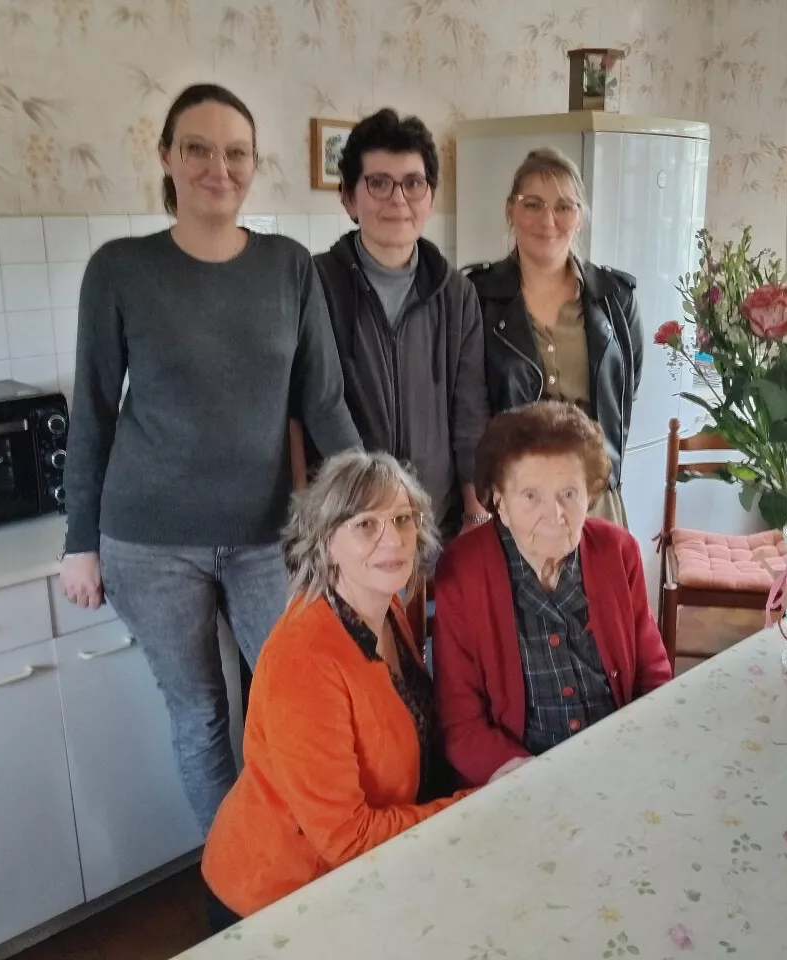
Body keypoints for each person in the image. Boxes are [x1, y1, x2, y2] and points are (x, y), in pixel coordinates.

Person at [58, 83, 360, 834]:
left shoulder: (290, 267)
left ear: (255, 165)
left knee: (289, 701)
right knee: (199, 715)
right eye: (197, 148)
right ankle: (236, 878)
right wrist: (79, 544)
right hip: (148, 541)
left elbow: (322, 403)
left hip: (265, 538)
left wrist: (374, 503)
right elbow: (91, 412)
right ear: (167, 156)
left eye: (235, 152)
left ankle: (298, 852)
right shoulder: (120, 269)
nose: (216, 167)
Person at [202, 450, 470, 928]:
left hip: (354, 875)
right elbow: (347, 839)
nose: (392, 538)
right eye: (366, 525)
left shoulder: (386, 608)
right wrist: (467, 806)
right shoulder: (303, 659)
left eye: (402, 519)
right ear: (326, 544)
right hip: (278, 895)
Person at [432, 402, 672, 787]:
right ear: (499, 502)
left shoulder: (616, 551)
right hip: (517, 780)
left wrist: (636, 754)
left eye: (568, 494)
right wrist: (536, 783)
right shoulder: (463, 571)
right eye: (530, 496)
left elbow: (652, 675)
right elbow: (460, 724)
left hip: (619, 762)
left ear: (589, 496)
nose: (554, 515)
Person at [312, 108, 490, 537]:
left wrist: (474, 513)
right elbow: (310, 409)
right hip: (347, 521)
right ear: (349, 199)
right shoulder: (315, 284)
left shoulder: (457, 292)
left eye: (413, 183)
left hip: (434, 521)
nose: (398, 199)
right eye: (378, 183)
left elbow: (469, 412)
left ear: (430, 196)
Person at [465, 147, 643, 526]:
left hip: (593, 495)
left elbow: (625, 392)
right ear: (510, 211)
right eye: (533, 204)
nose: (548, 220)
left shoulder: (615, 298)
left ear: (580, 217)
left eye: (564, 206)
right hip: (512, 495)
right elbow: (466, 404)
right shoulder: (477, 296)